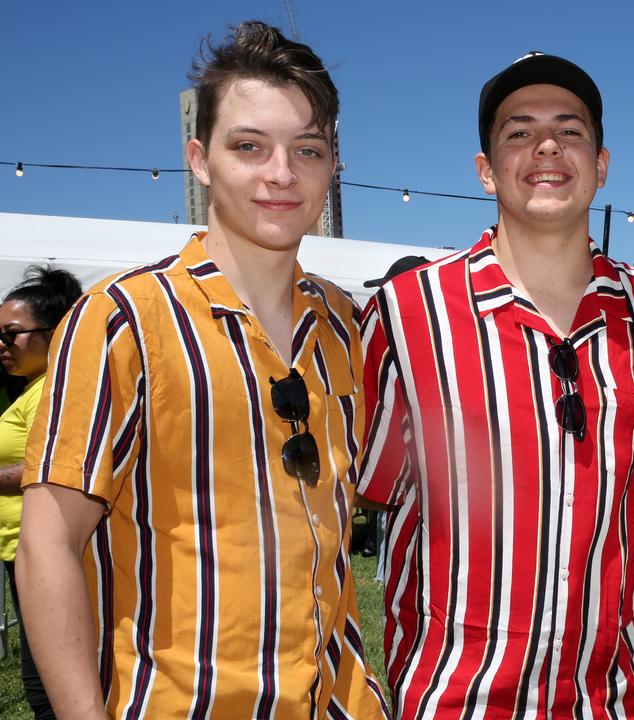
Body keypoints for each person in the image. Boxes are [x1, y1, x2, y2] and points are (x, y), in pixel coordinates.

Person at [17, 21, 388, 718]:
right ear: (199, 158)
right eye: (249, 146)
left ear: (332, 167)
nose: (281, 173)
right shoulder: (122, 318)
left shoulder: (344, 324)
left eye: (307, 149)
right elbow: (47, 544)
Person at [356, 52, 634, 718]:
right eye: (519, 131)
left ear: (602, 162)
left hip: (619, 701)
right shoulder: (408, 314)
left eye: (570, 128)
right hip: (455, 702)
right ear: (484, 168)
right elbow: (362, 494)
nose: (547, 145)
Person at [0, 265, 82, 719]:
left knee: (47, 687)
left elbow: (49, 464)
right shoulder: (33, 388)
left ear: (52, 333)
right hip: (23, 547)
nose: (2, 346)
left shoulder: (54, 389)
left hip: (42, 550)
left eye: (11, 335)